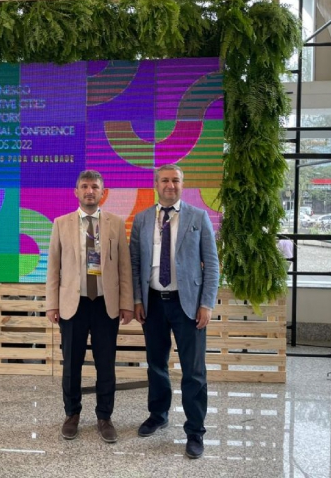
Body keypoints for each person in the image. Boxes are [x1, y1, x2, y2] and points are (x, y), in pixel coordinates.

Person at [129, 164, 219, 459]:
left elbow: (212, 264)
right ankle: (158, 415)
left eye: (176, 180)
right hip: (153, 302)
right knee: (156, 364)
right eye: (165, 180)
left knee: (194, 370)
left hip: (188, 304)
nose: (170, 185)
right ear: (156, 184)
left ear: (182, 184)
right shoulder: (142, 219)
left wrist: (206, 304)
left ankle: (195, 431)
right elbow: (135, 264)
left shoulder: (198, 217)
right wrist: (138, 300)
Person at [46, 170, 134, 443]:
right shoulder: (61, 223)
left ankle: (104, 417)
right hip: (73, 305)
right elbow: (53, 267)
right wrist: (51, 304)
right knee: (71, 365)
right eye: (84, 186)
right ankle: (71, 414)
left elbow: (124, 267)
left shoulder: (115, 223)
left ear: (102, 192)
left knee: (105, 364)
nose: (89, 191)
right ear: (76, 192)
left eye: (95, 187)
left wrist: (126, 303)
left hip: (105, 305)